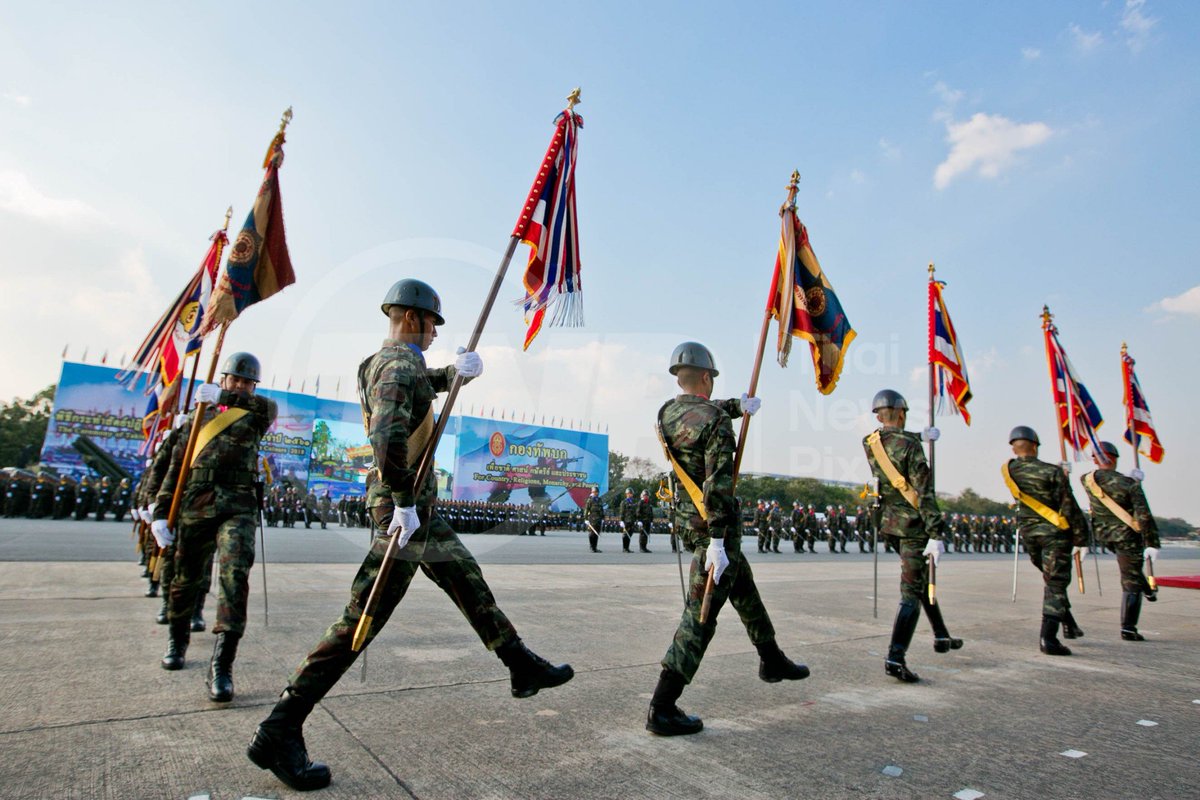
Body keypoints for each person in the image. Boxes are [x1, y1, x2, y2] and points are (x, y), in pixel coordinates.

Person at [247, 279, 572, 791]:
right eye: (432, 325)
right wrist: (402, 502)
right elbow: (385, 435)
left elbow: (411, 394)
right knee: (362, 618)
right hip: (403, 509)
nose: (434, 335)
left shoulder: (387, 362)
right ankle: (279, 729)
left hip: (412, 506)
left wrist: (451, 375)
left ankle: (518, 662)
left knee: (465, 576)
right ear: (413, 318)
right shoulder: (400, 364)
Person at [647, 341, 808, 737]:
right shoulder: (716, 423)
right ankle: (661, 707)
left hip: (689, 523)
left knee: (746, 592)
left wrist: (740, 404)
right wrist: (718, 539)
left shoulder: (666, 413)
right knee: (699, 617)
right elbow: (717, 483)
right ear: (706, 377)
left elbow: (703, 410)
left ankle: (771, 659)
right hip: (712, 531)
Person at [151, 352, 277, 704]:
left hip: (237, 505)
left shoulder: (257, 412)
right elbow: (176, 470)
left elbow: (265, 407)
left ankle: (221, 666)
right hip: (196, 502)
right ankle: (177, 642)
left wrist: (223, 398)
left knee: (235, 578)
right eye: (234, 380)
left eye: (246, 382)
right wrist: (161, 512)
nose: (240, 385)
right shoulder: (197, 418)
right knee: (184, 578)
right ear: (222, 379)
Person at [862, 389, 962, 683]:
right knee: (911, 592)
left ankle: (941, 635)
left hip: (889, 525)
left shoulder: (870, 443)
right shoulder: (911, 448)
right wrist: (936, 532)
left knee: (919, 582)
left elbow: (893, 440)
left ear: (878, 415)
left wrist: (920, 435)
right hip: (914, 529)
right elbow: (924, 492)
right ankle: (895, 657)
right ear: (902, 414)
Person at [1001, 426, 1088, 655]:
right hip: (1054, 534)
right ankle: (1048, 639)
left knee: (1052, 580)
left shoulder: (1009, 470)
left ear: (1013, 446)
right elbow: (1068, 505)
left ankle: (1069, 624)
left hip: (1029, 535)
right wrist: (1081, 538)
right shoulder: (1051, 472)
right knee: (1056, 583)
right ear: (1036, 446)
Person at [1080, 441, 1160, 641]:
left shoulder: (1086, 480)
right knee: (1130, 580)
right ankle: (1129, 628)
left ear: (1095, 459)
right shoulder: (1129, 484)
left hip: (1104, 536)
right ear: (1114, 458)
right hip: (1127, 536)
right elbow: (1144, 515)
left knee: (1130, 569)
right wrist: (1152, 542)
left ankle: (1148, 590)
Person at [584, 487, 604, 552]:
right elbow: (586, 509)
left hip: (599, 519)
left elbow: (601, 509)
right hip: (592, 519)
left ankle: (595, 547)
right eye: (594, 492)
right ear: (592, 492)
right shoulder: (590, 500)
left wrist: (603, 518)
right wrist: (586, 519)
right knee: (592, 533)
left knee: (597, 533)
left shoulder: (600, 500)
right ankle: (592, 547)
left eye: (596, 492)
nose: (595, 493)